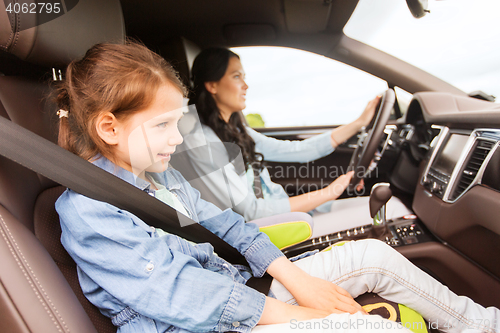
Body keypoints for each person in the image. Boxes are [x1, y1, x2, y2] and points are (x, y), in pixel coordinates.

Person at [55, 41, 499, 333]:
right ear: (109, 128)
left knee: (375, 256)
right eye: (164, 125)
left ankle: (484, 325)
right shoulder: (88, 211)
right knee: (366, 326)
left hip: (237, 291)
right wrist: (299, 313)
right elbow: (181, 294)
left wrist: (293, 277)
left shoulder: (159, 176)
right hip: (202, 323)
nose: (177, 137)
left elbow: (228, 224)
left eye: (178, 122)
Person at [184, 47, 411, 237]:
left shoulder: (235, 130)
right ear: (212, 85)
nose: (246, 85)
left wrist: (359, 122)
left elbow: (297, 150)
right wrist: (329, 192)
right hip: (263, 231)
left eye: (244, 76)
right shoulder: (204, 143)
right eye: (236, 76)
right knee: (396, 211)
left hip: (281, 216)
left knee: (389, 207)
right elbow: (252, 212)